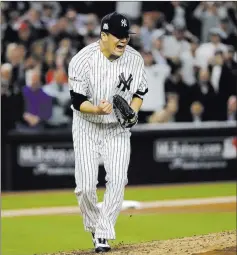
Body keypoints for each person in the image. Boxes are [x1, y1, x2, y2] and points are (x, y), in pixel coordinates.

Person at [68, 12, 148, 253]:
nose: (123, 40)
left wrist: (133, 112)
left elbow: (140, 92)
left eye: (126, 36)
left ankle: (103, 235)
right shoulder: (82, 60)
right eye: (118, 35)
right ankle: (94, 226)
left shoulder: (135, 59)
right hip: (86, 126)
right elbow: (76, 100)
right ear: (103, 36)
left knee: (118, 180)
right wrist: (95, 109)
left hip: (117, 130)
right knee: (84, 187)